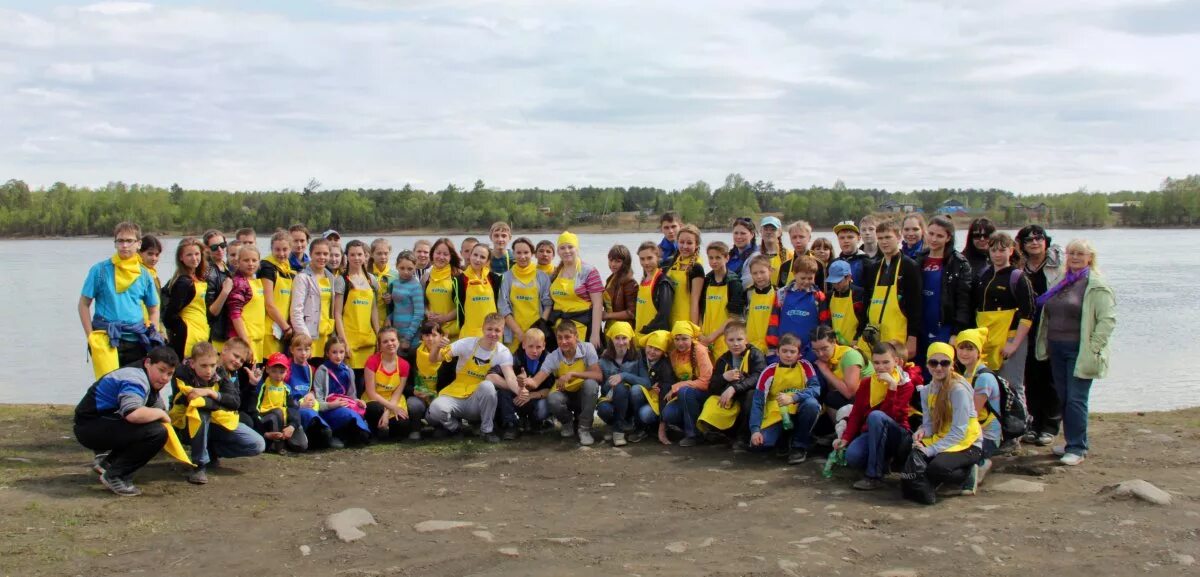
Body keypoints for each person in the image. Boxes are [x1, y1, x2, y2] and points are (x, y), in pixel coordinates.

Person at [1034, 239, 1116, 466]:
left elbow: (1107, 321)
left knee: (1076, 399)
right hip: (1056, 348)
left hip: (1079, 351)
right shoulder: (1062, 281)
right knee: (1064, 397)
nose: (1075, 257)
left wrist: (1093, 348)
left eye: (1080, 254)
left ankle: (1077, 448)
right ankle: (1073, 441)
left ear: (1090, 257)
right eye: (1071, 253)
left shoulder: (1096, 285)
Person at [75, 346, 180, 496]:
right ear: (148, 363)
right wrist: (160, 414)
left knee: (154, 426)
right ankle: (115, 476)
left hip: (95, 423)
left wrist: (162, 414)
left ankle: (108, 464)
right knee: (157, 433)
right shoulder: (135, 379)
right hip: (89, 427)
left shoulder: (146, 374)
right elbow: (133, 414)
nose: (165, 378)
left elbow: (157, 406)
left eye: (170, 374)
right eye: (161, 370)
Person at [972, 231, 1035, 453]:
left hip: (1009, 340)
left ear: (1011, 251)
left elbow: (1028, 315)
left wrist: (1014, 344)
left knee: (1014, 387)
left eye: (1002, 249)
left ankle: (1016, 434)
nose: (997, 254)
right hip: (987, 340)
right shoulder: (984, 275)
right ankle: (993, 432)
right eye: (993, 249)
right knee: (990, 386)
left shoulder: (1018, 277)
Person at [170, 340, 265, 485]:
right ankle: (199, 465)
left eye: (212, 366)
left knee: (257, 444)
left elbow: (235, 402)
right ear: (192, 364)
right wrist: (217, 402)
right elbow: (191, 400)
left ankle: (210, 451)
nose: (209, 371)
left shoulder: (221, 372)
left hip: (218, 421)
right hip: (186, 423)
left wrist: (209, 393)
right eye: (204, 366)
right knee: (200, 411)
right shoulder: (182, 372)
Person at [79, 222, 164, 378]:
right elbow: (83, 304)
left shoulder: (144, 275)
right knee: (107, 385)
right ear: (115, 243)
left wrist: (153, 331)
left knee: (133, 385)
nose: (124, 245)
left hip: (136, 339)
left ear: (138, 244)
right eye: (120, 241)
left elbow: (154, 308)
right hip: (106, 338)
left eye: (129, 241)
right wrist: (90, 336)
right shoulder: (100, 270)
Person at [427, 313, 519, 443]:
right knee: (435, 408)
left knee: (487, 386)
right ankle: (456, 429)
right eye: (489, 329)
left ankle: (487, 430)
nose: (493, 334)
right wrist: (437, 347)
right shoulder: (466, 343)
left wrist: (522, 392)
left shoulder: (503, 352)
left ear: (503, 331)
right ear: (483, 328)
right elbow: (433, 359)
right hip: (456, 394)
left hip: (478, 400)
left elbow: (510, 378)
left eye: (497, 330)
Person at [833, 341, 912, 490]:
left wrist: (892, 388)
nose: (881, 367)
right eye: (876, 363)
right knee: (853, 457)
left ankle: (873, 476)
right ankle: (882, 462)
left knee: (876, 416)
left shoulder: (905, 384)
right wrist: (845, 438)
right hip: (872, 431)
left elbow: (892, 415)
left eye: (886, 362)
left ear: (896, 361)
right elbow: (856, 413)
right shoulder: (867, 383)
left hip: (898, 434)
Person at [910, 342, 984, 501]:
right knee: (907, 449)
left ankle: (967, 473)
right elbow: (929, 424)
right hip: (943, 436)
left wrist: (930, 450)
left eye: (944, 363)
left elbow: (959, 432)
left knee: (936, 468)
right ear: (927, 364)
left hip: (968, 443)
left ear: (952, 365)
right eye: (933, 363)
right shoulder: (926, 391)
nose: (938, 368)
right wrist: (921, 432)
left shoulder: (958, 391)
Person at [1017, 225, 1064, 446]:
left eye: (1038, 238)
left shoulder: (1057, 266)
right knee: (1031, 377)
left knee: (1051, 377)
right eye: (1029, 240)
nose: (1034, 243)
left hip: (1052, 326)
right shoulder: (1021, 267)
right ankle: (1034, 422)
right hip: (1027, 327)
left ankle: (1050, 425)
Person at [526, 320, 602, 445]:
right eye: (559, 338)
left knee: (591, 384)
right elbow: (535, 382)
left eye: (567, 337)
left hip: (583, 394)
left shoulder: (588, 348)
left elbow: (598, 375)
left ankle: (584, 429)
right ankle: (567, 423)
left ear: (576, 336)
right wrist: (524, 381)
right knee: (552, 398)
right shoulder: (553, 357)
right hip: (564, 394)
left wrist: (573, 374)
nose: (563, 342)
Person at [747, 333, 820, 464]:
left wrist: (794, 398)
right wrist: (755, 430)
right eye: (784, 351)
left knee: (812, 405)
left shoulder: (805, 366)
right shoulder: (769, 371)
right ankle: (784, 439)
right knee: (761, 444)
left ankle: (799, 446)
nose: (788, 355)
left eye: (792, 352)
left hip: (799, 408)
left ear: (799, 354)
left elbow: (815, 389)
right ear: (777, 352)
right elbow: (758, 401)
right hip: (777, 413)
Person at [914, 215, 973, 370]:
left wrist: (956, 332)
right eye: (931, 233)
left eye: (939, 236)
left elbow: (963, 301)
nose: (933, 239)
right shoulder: (918, 259)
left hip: (944, 327)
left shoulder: (959, 264)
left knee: (940, 370)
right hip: (920, 326)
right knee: (920, 371)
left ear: (948, 238)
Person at [696, 320, 766, 444]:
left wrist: (734, 388)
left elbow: (759, 377)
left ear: (746, 340)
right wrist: (724, 377)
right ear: (725, 341)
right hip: (729, 397)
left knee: (751, 395)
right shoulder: (723, 359)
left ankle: (743, 437)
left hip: (744, 394)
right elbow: (712, 387)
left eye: (739, 339)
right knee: (710, 401)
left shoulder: (755, 354)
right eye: (731, 340)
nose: (736, 344)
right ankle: (716, 433)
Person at [861, 220, 921, 361]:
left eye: (888, 237)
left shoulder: (909, 266)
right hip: (874, 337)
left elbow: (916, 305)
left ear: (899, 238)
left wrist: (912, 337)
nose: (884, 242)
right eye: (880, 238)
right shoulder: (874, 268)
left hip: (898, 337)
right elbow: (867, 303)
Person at [954, 328, 1000, 489]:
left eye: (970, 348)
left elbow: (973, 413)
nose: (964, 353)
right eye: (961, 347)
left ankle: (982, 462)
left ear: (979, 351)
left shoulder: (984, 378)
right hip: (973, 430)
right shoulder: (966, 373)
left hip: (986, 435)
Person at [362, 328, 425, 441]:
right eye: (385, 341)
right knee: (375, 409)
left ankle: (386, 430)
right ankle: (374, 431)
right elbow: (371, 392)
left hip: (394, 400)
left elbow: (398, 392)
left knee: (402, 425)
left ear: (398, 342)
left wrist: (387, 412)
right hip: (375, 399)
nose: (390, 343)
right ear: (380, 345)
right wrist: (391, 408)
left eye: (392, 340)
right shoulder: (372, 361)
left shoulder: (404, 364)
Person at [810, 325, 874, 431]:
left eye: (824, 348)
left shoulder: (849, 356)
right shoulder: (829, 357)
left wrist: (826, 371)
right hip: (853, 397)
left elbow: (849, 393)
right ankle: (840, 433)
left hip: (870, 398)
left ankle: (846, 435)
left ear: (834, 342)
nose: (820, 354)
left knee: (831, 398)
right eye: (815, 350)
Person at [659, 321, 713, 446]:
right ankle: (690, 428)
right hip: (685, 395)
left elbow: (706, 381)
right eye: (677, 339)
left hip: (703, 394)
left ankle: (694, 435)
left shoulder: (699, 350)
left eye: (684, 339)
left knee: (685, 391)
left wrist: (678, 386)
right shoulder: (673, 354)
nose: (680, 343)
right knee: (668, 414)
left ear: (692, 338)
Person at [548, 231, 604, 351]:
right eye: (562, 248)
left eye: (570, 247)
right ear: (558, 251)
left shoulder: (589, 271)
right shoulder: (555, 273)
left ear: (577, 248)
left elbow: (598, 305)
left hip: (583, 327)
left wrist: (595, 334)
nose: (566, 251)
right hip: (559, 329)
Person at [334, 240, 381, 381]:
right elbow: (337, 314)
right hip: (350, 341)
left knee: (368, 380)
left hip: (368, 341)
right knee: (351, 382)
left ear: (366, 256)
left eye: (360, 254)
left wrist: (379, 336)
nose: (356, 258)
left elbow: (373, 310)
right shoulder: (342, 281)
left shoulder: (371, 280)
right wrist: (344, 343)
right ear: (346, 256)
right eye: (352, 254)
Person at [312, 336, 370, 446]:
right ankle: (337, 434)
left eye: (341, 352)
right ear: (327, 353)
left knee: (362, 428)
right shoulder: (321, 371)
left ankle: (349, 435)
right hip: (329, 409)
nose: (338, 356)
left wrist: (358, 401)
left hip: (345, 406)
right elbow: (318, 402)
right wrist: (332, 405)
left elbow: (351, 396)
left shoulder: (348, 371)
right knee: (348, 416)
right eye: (334, 352)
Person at [497, 328, 551, 439]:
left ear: (544, 346)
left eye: (538, 347)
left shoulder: (549, 359)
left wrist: (530, 395)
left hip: (536, 397)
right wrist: (516, 384)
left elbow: (550, 389)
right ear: (523, 345)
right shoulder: (514, 358)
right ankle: (511, 425)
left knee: (544, 406)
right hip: (517, 397)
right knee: (503, 391)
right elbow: (497, 376)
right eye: (530, 346)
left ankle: (535, 422)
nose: (534, 351)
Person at [499, 237, 551, 352]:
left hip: (537, 334)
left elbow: (547, 304)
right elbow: (503, 308)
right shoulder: (506, 277)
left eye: (526, 252)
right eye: (518, 253)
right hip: (514, 335)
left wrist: (539, 328)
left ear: (532, 254)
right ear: (513, 254)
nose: (522, 256)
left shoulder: (542, 276)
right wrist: (520, 334)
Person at [284, 333, 335, 449]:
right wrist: (299, 405)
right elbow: (282, 392)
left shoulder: (311, 369)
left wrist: (311, 394)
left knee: (324, 429)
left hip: (310, 405)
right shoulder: (287, 368)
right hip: (293, 408)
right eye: (299, 349)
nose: (303, 353)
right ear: (292, 350)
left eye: (306, 349)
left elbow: (313, 389)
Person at [766, 255, 824, 357]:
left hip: (810, 351)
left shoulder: (819, 296)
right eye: (802, 278)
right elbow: (773, 321)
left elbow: (824, 323)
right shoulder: (782, 293)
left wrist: (821, 348)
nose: (806, 281)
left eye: (810, 278)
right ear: (794, 274)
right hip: (785, 350)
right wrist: (772, 347)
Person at [162, 237, 211, 360]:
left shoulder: (198, 278)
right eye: (189, 255)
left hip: (201, 331)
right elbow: (169, 316)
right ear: (181, 258)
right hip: (188, 337)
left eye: (197, 254)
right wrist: (182, 327)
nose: (194, 258)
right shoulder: (183, 282)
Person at [596, 322, 643, 446]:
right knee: (603, 409)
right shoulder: (603, 360)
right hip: (611, 399)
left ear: (630, 339)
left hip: (631, 401)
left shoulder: (638, 356)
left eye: (624, 338)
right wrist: (611, 383)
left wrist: (624, 376)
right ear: (611, 339)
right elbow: (603, 388)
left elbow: (646, 382)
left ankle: (618, 431)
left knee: (622, 388)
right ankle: (620, 424)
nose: (621, 342)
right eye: (617, 338)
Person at [698, 241, 746, 360]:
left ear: (726, 258)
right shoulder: (707, 280)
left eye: (718, 258)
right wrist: (702, 335)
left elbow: (734, 316)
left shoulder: (734, 282)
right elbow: (701, 310)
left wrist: (712, 337)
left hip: (725, 337)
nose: (714, 261)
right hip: (705, 336)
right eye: (711, 258)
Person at [628, 330, 676, 443]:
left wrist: (662, 426)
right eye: (650, 347)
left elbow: (665, 392)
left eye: (657, 349)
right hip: (637, 396)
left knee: (645, 414)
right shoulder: (638, 355)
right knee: (635, 390)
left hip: (656, 400)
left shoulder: (665, 366)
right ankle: (638, 427)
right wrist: (648, 385)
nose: (652, 352)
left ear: (664, 352)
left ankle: (656, 427)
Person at [224, 245, 268, 364]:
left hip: (257, 338)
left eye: (254, 260)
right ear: (238, 262)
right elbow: (235, 314)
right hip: (243, 341)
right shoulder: (239, 283)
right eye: (246, 260)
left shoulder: (255, 281)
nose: (250, 264)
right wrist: (246, 343)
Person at [255, 352, 304, 454]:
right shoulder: (263, 386)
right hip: (265, 418)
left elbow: (292, 408)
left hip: (283, 420)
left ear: (287, 372)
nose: (278, 375)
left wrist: (292, 426)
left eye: (281, 372)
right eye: (274, 371)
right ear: (267, 369)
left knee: (302, 445)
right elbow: (256, 406)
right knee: (276, 413)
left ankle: (284, 440)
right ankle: (278, 446)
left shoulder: (287, 388)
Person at [258, 230, 295, 355]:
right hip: (270, 330)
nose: (281, 253)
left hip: (282, 331)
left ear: (291, 249)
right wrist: (286, 327)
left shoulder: (288, 270)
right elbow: (269, 304)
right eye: (277, 249)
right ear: (271, 249)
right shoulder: (267, 268)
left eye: (285, 249)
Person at [819, 261, 867, 352]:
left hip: (855, 345)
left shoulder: (859, 294)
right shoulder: (828, 296)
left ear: (848, 277)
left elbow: (864, 321)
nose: (835, 285)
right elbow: (826, 321)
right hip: (834, 346)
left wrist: (856, 339)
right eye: (833, 282)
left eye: (838, 281)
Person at [457, 243, 502, 338]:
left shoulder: (494, 279)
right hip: (469, 334)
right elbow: (458, 308)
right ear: (470, 255)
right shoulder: (459, 280)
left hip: (492, 333)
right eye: (475, 255)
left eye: (482, 257)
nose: (477, 259)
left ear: (487, 261)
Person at [633, 241, 675, 336]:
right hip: (640, 336)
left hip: (655, 338)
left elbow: (663, 315)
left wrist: (645, 330)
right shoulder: (643, 281)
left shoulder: (663, 282)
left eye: (650, 258)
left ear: (658, 257)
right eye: (642, 259)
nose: (646, 262)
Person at [666, 224, 705, 325]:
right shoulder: (673, 262)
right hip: (670, 319)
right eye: (681, 242)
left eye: (689, 243)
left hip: (686, 322)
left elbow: (695, 302)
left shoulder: (696, 268)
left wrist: (693, 329)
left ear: (696, 245)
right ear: (677, 242)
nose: (684, 246)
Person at [425, 237, 464, 338]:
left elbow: (463, 305)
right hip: (433, 333)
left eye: (445, 254)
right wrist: (427, 313)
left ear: (451, 257)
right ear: (432, 254)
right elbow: (423, 302)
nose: (441, 257)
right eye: (438, 253)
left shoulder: (459, 275)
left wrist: (445, 318)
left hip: (454, 332)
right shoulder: (426, 276)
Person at [388, 250, 424, 356]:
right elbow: (397, 307)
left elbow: (419, 314)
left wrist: (407, 338)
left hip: (410, 337)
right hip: (396, 334)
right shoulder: (395, 283)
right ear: (396, 266)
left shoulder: (416, 286)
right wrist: (389, 318)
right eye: (402, 268)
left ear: (415, 268)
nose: (406, 272)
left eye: (410, 269)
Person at [203, 229, 234, 350]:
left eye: (222, 245)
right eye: (215, 247)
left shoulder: (226, 268)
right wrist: (225, 292)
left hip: (227, 331)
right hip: (215, 334)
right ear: (207, 249)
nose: (220, 250)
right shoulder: (208, 272)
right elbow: (211, 312)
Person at [744, 255, 776, 357]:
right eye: (755, 273)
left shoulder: (778, 293)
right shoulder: (748, 293)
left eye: (762, 272)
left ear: (770, 271)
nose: (759, 276)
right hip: (750, 347)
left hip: (771, 348)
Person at [602, 244, 639, 326]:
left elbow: (631, 313)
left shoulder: (630, 283)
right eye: (610, 260)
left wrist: (608, 315)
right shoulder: (610, 279)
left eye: (617, 261)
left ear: (626, 263)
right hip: (610, 326)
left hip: (624, 329)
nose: (613, 264)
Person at [777, 220, 813, 288]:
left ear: (809, 238)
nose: (798, 241)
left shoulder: (818, 264)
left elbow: (822, 293)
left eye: (801, 237)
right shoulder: (785, 266)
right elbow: (780, 291)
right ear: (790, 239)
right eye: (794, 237)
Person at [138, 234, 163, 331]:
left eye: (157, 255)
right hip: (141, 326)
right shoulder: (137, 273)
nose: (154, 258)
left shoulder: (153, 274)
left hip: (153, 324)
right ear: (139, 252)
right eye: (150, 254)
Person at [368, 238, 396, 325]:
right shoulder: (367, 274)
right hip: (369, 320)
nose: (383, 257)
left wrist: (392, 298)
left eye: (386, 253)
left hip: (388, 321)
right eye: (379, 253)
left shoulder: (395, 275)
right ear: (372, 254)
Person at [758, 216, 792, 288]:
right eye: (766, 229)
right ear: (761, 231)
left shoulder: (789, 255)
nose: (769, 232)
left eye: (773, 229)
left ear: (779, 232)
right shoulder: (755, 255)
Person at [727, 217, 759, 288]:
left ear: (752, 235)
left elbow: (746, 283)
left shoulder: (756, 257)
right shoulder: (730, 255)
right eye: (736, 233)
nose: (738, 237)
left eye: (743, 233)